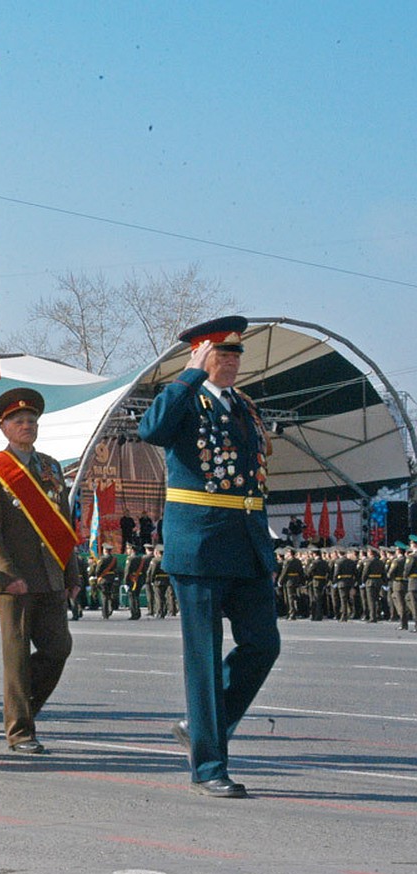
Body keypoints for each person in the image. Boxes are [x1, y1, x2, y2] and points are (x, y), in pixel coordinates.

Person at [139, 315, 281, 798]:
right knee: (202, 656)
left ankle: (200, 725)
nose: (231, 362)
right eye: (221, 353)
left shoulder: (245, 406)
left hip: (246, 543)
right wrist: (187, 375)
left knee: (263, 643)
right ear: (199, 356)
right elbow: (152, 429)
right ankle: (209, 766)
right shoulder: (185, 399)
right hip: (199, 544)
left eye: (236, 354)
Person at [0, 388, 79, 753]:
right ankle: (20, 731)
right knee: (16, 658)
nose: (27, 426)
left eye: (32, 421)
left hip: (50, 575)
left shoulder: (50, 467)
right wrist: (5, 572)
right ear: (4, 427)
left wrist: (72, 573)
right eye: (19, 421)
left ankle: (22, 711)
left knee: (58, 647)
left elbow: (64, 523)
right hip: (13, 579)